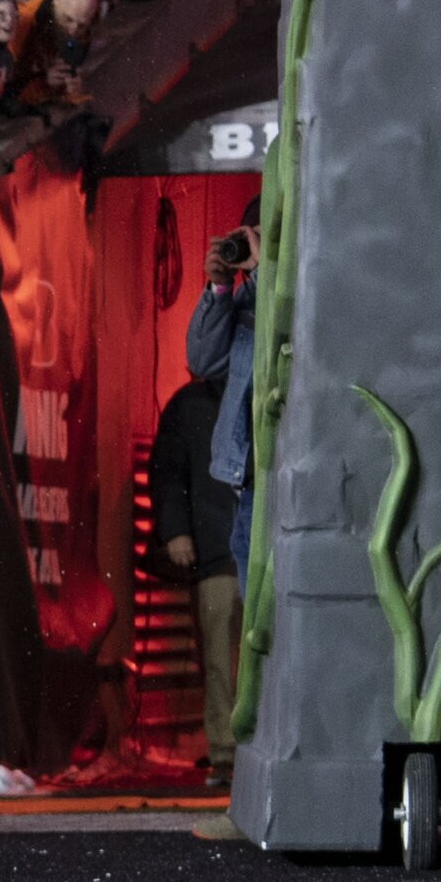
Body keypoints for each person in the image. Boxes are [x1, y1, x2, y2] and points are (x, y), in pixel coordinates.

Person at [149, 374, 239, 785]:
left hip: (246, 549)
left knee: (235, 656)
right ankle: (226, 754)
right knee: (222, 657)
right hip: (217, 549)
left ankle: (237, 752)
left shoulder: (266, 386)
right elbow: (169, 469)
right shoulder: (190, 403)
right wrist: (176, 530)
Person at [188, 199, 262, 588]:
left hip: (274, 476)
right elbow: (203, 361)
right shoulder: (245, 299)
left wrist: (267, 270)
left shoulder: (298, 297)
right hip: (245, 479)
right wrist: (219, 285)